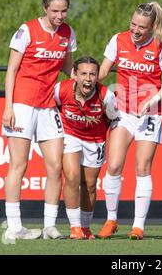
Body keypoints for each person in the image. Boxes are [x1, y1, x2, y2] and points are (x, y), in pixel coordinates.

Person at [1, 0, 77, 240]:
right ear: (45, 8)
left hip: (48, 106)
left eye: (64, 10)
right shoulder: (27, 30)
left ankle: (49, 226)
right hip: (22, 104)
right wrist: (8, 107)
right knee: (19, 166)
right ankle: (15, 227)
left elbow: (67, 66)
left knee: (56, 167)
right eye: (55, 11)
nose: (60, 15)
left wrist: (81, 79)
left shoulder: (67, 33)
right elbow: (11, 70)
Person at [97, 2, 162, 240]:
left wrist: (152, 100)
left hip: (150, 113)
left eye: (142, 26)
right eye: (133, 24)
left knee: (142, 167)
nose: (136, 29)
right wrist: (81, 78)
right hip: (123, 111)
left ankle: (138, 226)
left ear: (152, 27)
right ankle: (111, 220)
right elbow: (102, 73)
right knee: (113, 166)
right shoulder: (118, 40)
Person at [53, 56, 119, 240]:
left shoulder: (106, 96)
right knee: (72, 177)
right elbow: (51, 107)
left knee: (89, 185)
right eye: (83, 74)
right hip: (70, 135)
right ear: (74, 74)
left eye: (92, 74)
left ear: (98, 76)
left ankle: (85, 226)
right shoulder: (61, 89)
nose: (88, 79)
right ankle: (75, 228)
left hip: (95, 140)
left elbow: (113, 119)